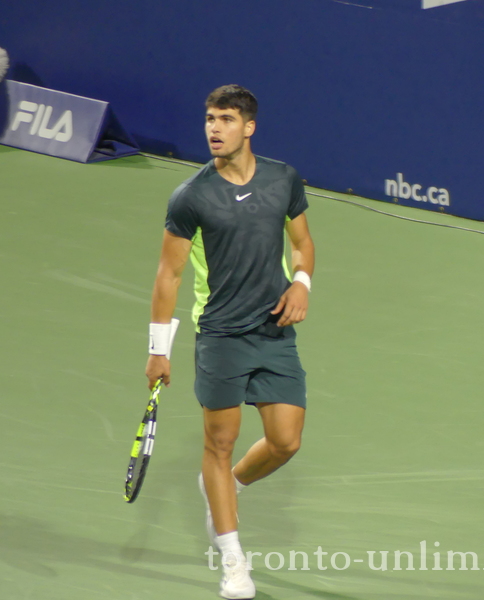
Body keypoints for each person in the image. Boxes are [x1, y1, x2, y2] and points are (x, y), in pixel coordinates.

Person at [145, 84, 315, 600]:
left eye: (224, 119)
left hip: (273, 330)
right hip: (220, 334)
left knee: (286, 441)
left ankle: (226, 488)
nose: (213, 129)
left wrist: (302, 285)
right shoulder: (191, 196)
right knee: (218, 444)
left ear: (249, 127)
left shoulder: (283, 179)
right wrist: (158, 348)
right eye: (209, 119)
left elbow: (302, 243)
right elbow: (168, 275)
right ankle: (234, 562)